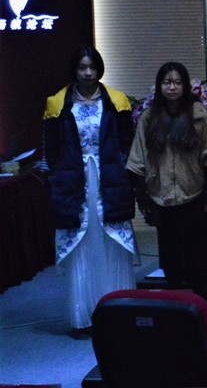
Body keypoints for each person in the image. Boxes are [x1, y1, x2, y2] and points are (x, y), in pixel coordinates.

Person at [43, 46, 136, 337]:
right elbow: (51, 151)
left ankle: (119, 315)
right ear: (74, 69)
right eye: (82, 67)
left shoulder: (117, 102)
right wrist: (57, 179)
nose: (88, 73)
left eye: (92, 67)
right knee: (81, 246)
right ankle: (83, 317)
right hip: (74, 182)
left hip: (110, 180)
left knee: (113, 246)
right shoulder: (57, 104)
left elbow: (128, 144)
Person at [127, 61, 207, 289]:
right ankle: (175, 301)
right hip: (161, 197)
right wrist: (143, 199)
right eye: (167, 82)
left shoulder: (199, 115)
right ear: (159, 86)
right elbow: (138, 160)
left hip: (194, 195)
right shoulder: (149, 118)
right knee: (170, 258)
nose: (172, 87)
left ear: (185, 86)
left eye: (177, 82)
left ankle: (198, 302)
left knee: (197, 257)